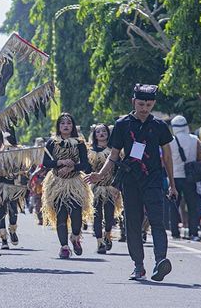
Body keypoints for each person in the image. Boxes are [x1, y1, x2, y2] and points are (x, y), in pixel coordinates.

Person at [86, 84, 178, 282]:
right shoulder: (122, 124)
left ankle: (160, 261)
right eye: (141, 104)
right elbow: (114, 155)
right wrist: (100, 175)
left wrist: (172, 184)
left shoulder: (160, 125)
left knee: (157, 221)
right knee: (133, 223)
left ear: (153, 104)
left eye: (149, 104)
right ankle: (138, 266)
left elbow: (168, 157)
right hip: (130, 179)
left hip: (153, 179)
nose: (145, 108)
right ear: (133, 102)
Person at [42, 112, 93, 259]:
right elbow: (45, 162)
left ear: (73, 126)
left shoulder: (80, 143)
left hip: (75, 183)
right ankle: (64, 247)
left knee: (76, 212)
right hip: (57, 183)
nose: (66, 126)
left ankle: (75, 237)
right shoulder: (52, 142)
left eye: (69, 123)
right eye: (63, 123)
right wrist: (60, 163)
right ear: (58, 126)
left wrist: (73, 167)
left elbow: (85, 165)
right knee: (61, 215)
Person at [169, 115, 201, 241]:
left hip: (174, 177)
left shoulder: (170, 141)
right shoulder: (195, 139)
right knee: (192, 205)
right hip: (190, 177)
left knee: (174, 205)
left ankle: (175, 232)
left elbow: (165, 159)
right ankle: (193, 232)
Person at [88, 124, 122, 254]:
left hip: (110, 188)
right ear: (95, 135)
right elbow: (87, 170)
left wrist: (116, 187)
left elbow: (119, 170)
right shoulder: (90, 151)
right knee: (97, 215)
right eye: (98, 132)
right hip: (95, 188)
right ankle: (100, 242)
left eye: (104, 131)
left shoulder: (115, 151)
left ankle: (107, 234)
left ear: (108, 134)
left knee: (109, 216)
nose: (101, 133)